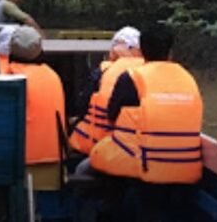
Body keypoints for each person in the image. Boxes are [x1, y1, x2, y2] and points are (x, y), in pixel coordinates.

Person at [83, 22, 203, 221]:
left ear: (142, 51)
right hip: (186, 168)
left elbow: (112, 116)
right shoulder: (188, 78)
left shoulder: (131, 77)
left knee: (90, 164)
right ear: (171, 52)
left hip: (146, 168)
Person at [69, 26, 143, 155]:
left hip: (100, 147)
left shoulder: (103, 71)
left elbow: (82, 106)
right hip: (136, 150)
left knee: (80, 169)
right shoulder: (148, 71)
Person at [1, 26, 67, 168]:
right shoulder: (52, 75)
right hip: (55, 159)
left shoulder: (10, 77)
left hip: (20, 161)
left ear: (11, 48)